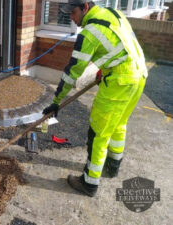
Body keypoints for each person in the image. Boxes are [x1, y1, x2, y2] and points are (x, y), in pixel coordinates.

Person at [42, 0, 147, 197]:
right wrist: (105, 70)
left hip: (120, 82)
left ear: (85, 7)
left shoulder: (89, 33)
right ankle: (112, 166)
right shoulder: (113, 14)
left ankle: (89, 182)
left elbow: (72, 72)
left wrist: (57, 101)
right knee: (118, 124)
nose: (72, 19)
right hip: (139, 75)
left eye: (73, 13)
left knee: (98, 133)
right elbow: (120, 47)